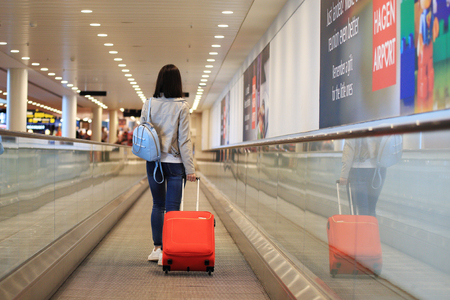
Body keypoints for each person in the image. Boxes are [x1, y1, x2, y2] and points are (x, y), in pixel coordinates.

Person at [141, 64, 196, 265]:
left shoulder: (148, 104)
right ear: (177, 83)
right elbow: (184, 140)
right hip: (175, 164)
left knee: (158, 205)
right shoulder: (182, 106)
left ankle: (156, 248)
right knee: (172, 208)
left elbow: (143, 131)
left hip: (153, 161)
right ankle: (169, 249)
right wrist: (190, 169)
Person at [339, 137, 386, 217]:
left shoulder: (354, 125)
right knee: (371, 209)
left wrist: (344, 174)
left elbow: (349, 149)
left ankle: (361, 229)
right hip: (378, 170)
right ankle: (370, 229)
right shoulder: (379, 125)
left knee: (360, 210)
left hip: (358, 170)